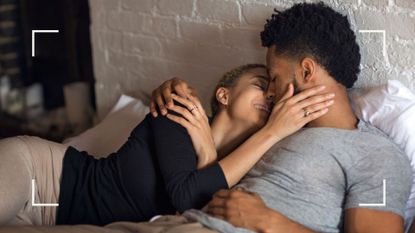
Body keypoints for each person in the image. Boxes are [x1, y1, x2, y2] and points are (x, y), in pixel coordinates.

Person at [148, 2, 412, 233]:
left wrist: (271, 223)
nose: (270, 93)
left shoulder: (377, 155)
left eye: (273, 78)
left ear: (307, 70)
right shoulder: (272, 126)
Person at [0, 64, 333, 227]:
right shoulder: (178, 109)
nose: (269, 96)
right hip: (42, 179)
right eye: (261, 86)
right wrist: (272, 131)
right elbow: (186, 195)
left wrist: (208, 154)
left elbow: (194, 212)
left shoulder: (238, 166)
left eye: (273, 97)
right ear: (224, 95)